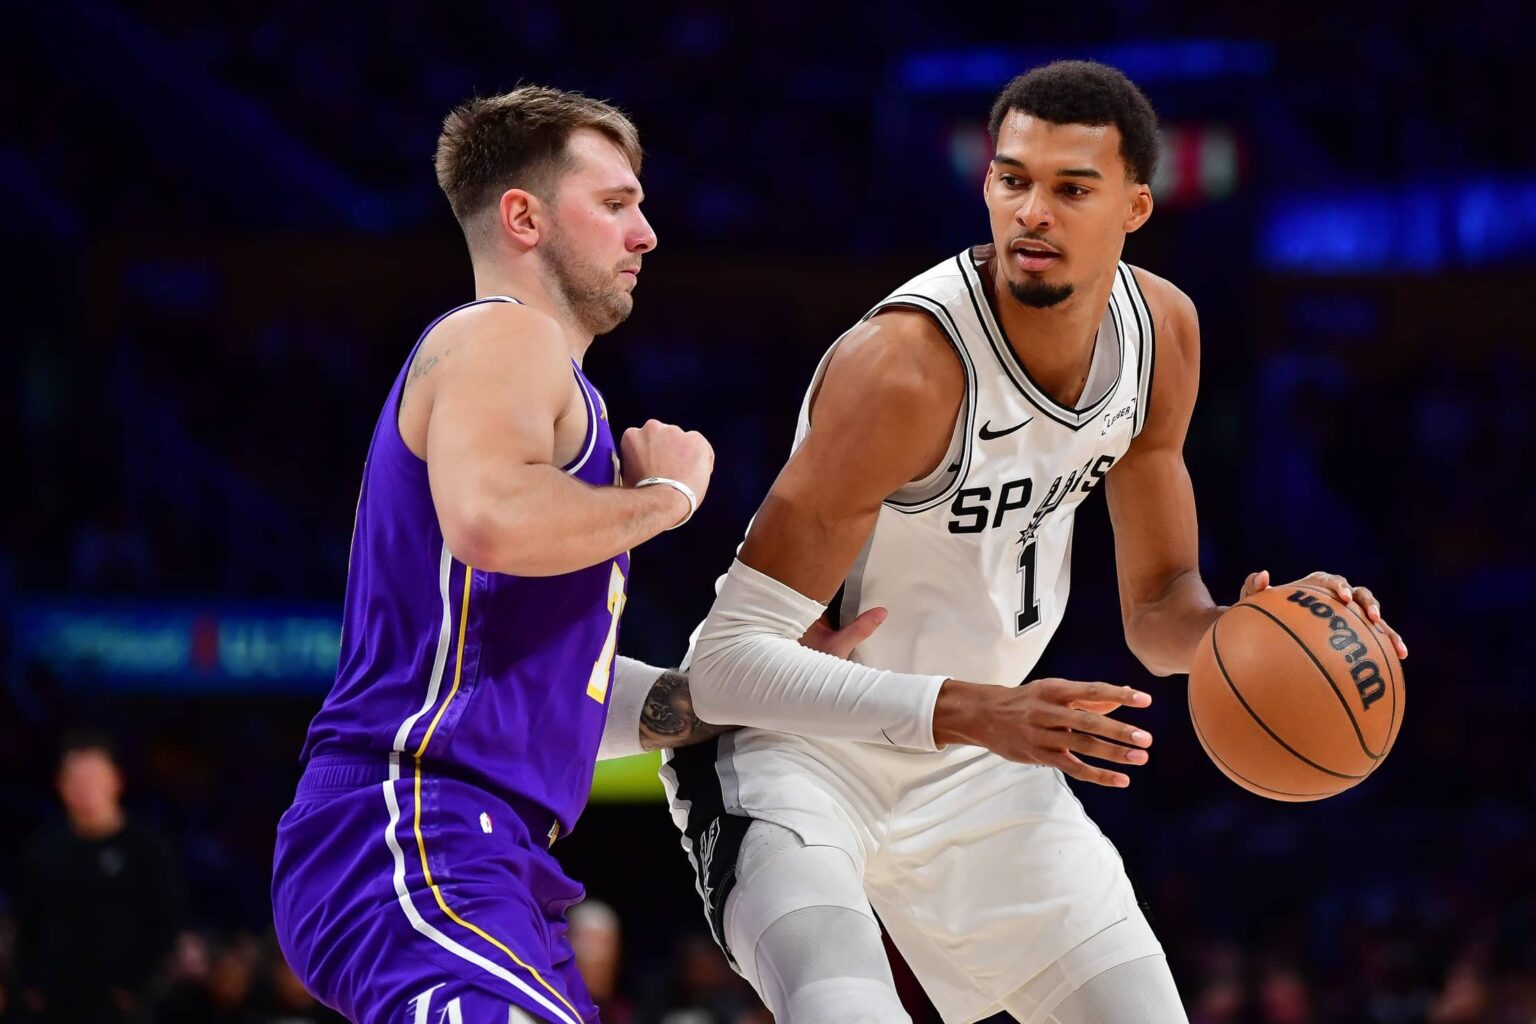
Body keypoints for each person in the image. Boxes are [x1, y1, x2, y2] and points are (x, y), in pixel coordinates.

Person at [663, 61, 1409, 1024]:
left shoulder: (1162, 335)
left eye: (1071, 188)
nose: (1033, 214)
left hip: (980, 766)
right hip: (802, 752)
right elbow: (722, 669)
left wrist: (1248, 634)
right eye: (1013, 181)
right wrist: (984, 713)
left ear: (1137, 205)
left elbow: (1157, 613)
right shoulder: (906, 372)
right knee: (842, 1005)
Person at [270, 85, 879, 1024]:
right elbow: (487, 519)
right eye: (616, 203)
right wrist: (665, 499)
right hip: (415, 823)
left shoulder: (550, 403)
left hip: (478, 848)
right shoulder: (501, 335)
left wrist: (758, 687)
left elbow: (567, 698)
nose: (646, 234)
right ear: (524, 215)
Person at [15, 730, 185, 1023]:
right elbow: (26, 924)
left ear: (115, 781)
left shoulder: (146, 850)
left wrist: (137, 987)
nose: (85, 789)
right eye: (76, 780)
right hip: (53, 1005)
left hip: (124, 1007)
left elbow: (166, 924)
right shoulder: (44, 850)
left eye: (93, 779)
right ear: (61, 785)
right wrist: (31, 986)